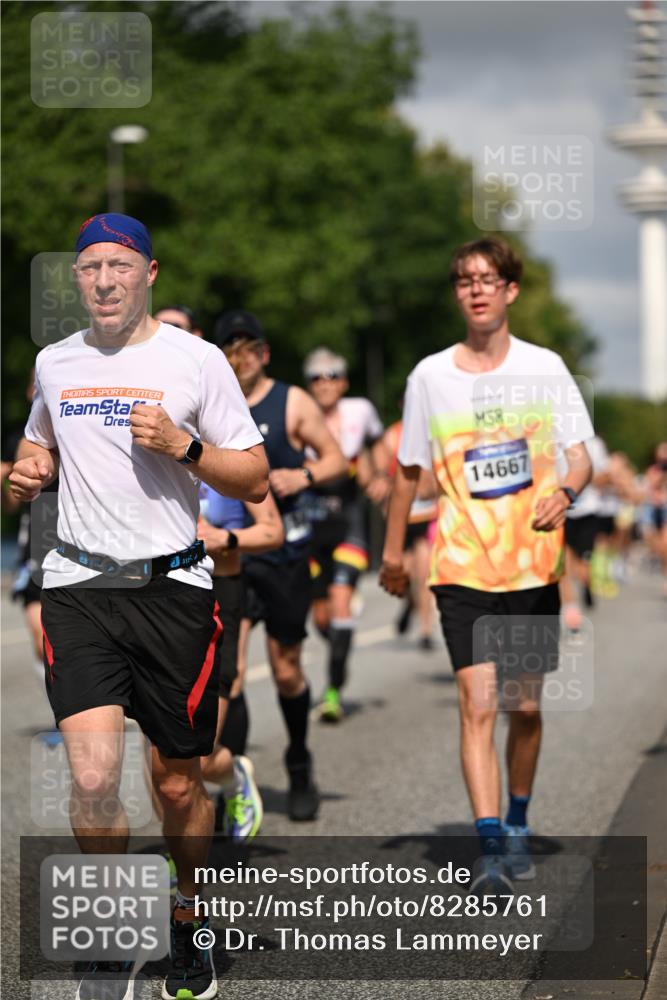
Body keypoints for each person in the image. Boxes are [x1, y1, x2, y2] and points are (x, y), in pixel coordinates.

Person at [9, 213, 268, 1000]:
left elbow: (252, 477)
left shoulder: (194, 362)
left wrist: (184, 448)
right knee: (91, 778)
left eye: (119, 266)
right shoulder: (55, 362)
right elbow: (38, 448)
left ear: (149, 273)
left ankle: (187, 923)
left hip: (174, 588)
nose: (105, 280)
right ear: (77, 279)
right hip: (81, 585)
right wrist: (23, 471)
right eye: (90, 268)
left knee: (178, 782)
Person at [380, 237, 593, 890]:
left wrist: (565, 489)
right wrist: (391, 553)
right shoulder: (429, 377)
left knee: (522, 708)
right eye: (463, 280)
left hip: (531, 565)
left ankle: (520, 816)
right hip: (460, 565)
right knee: (476, 703)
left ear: (509, 291)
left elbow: (579, 454)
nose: (475, 288)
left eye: (488, 278)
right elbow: (407, 473)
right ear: (458, 295)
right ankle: (490, 845)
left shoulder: (544, 368)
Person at [213, 311, 346, 820]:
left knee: (287, 670)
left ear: (264, 353)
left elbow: (336, 459)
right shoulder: (212, 405)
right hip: (233, 555)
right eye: (230, 348)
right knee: (235, 674)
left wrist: (303, 476)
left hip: (286, 553)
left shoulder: (290, 401)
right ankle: (234, 788)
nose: (239, 358)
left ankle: (298, 760)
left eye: (248, 348)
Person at [303, 347, 389, 720]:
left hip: (349, 521)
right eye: (317, 377)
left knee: (340, 601)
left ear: (345, 382)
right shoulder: (298, 414)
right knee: (322, 618)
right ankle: (342, 638)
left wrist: (381, 477)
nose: (325, 383)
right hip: (311, 525)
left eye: (333, 375)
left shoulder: (360, 411)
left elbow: (378, 445)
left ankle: (333, 691)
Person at [384, 413, 438, 650]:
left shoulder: (435, 432)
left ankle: (425, 631)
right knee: (405, 576)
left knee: (424, 575)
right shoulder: (392, 436)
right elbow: (380, 471)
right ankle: (410, 603)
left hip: (428, 516)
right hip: (404, 518)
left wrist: (431, 487)